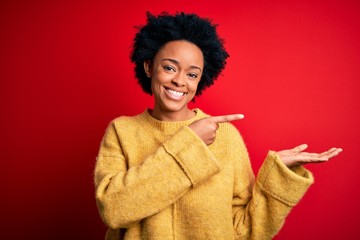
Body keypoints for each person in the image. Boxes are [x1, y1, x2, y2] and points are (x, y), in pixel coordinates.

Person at [94, 12, 342, 240]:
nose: (179, 81)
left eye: (192, 74)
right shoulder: (122, 132)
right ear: (149, 67)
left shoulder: (225, 136)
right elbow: (113, 209)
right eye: (169, 68)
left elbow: (245, 229)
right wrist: (189, 143)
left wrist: (278, 177)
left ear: (202, 78)